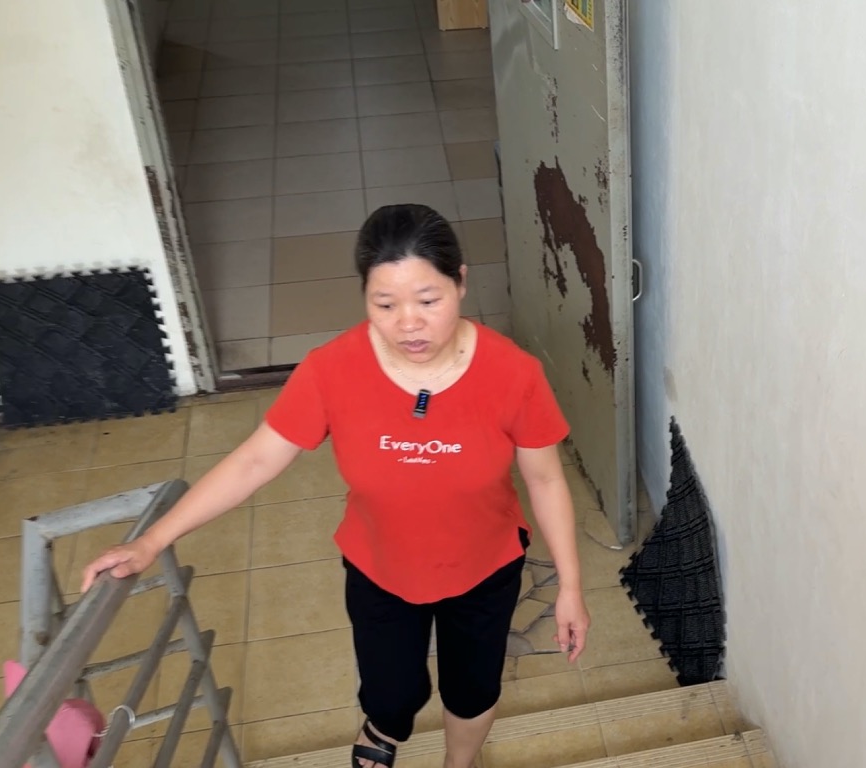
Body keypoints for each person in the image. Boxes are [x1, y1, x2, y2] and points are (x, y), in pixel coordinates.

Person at [81, 204, 592, 768]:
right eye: (385, 304)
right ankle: (382, 729)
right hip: (379, 567)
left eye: (429, 300)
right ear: (364, 298)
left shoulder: (513, 373)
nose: (409, 324)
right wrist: (150, 542)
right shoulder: (332, 369)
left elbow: (544, 478)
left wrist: (570, 584)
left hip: (485, 567)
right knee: (391, 692)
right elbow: (255, 460)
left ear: (461, 283)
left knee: (472, 688)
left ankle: (459, 764)